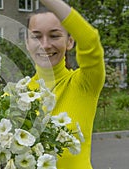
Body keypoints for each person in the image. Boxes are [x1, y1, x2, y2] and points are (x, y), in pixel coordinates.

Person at [26, 0, 105, 168]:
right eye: (36, 36)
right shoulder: (15, 95)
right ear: (27, 43)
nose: (45, 44)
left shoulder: (84, 84)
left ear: (70, 42)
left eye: (54, 35)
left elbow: (90, 41)